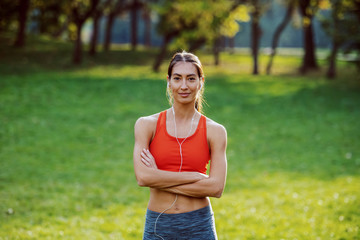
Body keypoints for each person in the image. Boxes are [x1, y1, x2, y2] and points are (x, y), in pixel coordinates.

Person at [133, 51, 227, 240]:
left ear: (201, 82)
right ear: (169, 82)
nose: (184, 86)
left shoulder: (215, 131)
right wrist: (193, 177)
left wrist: (158, 178)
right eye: (177, 78)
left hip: (199, 225)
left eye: (191, 79)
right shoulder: (146, 125)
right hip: (159, 225)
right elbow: (143, 177)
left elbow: (216, 188)